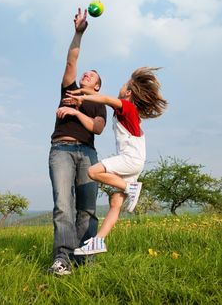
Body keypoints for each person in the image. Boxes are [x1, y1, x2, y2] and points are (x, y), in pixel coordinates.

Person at [64, 67, 167, 255]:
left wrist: (82, 98)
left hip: (129, 159)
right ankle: (98, 241)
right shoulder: (128, 110)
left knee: (93, 172)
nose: (119, 88)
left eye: (123, 85)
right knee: (115, 204)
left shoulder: (126, 107)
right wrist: (81, 92)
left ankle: (131, 188)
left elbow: (103, 98)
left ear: (127, 92)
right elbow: (98, 94)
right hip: (134, 163)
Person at [48, 8, 107, 275]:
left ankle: (86, 260)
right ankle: (62, 259)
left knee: (88, 210)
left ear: (97, 86)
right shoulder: (69, 89)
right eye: (85, 73)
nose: (85, 74)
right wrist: (78, 33)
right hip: (62, 149)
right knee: (63, 205)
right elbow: (71, 61)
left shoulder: (98, 104)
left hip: (88, 154)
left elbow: (97, 128)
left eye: (91, 75)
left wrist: (74, 111)